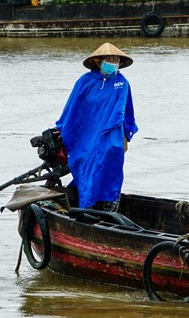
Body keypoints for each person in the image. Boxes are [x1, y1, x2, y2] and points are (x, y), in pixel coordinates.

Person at [56, 43, 138, 211]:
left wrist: (127, 130)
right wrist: (62, 127)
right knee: (85, 161)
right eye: (109, 59)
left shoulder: (122, 83)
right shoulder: (85, 81)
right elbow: (72, 107)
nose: (112, 62)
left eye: (115, 59)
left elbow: (127, 110)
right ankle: (86, 202)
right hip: (87, 133)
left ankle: (109, 204)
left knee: (110, 163)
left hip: (111, 133)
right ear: (100, 61)